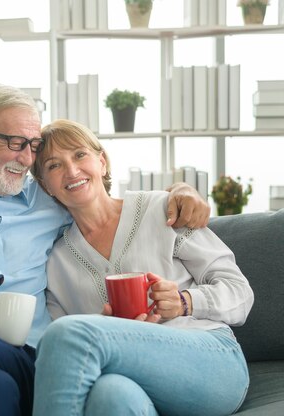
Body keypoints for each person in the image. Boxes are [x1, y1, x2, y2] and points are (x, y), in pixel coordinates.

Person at [0, 84, 210, 416]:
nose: (27, 158)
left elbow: (105, 200)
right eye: (16, 143)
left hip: (25, 354)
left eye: (33, 145)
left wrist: (180, 193)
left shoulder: (49, 197)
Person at [29, 119, 254, 416]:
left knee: (66, 334)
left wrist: (185, 303)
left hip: (209, 360)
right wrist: (108, 330)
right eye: (54, 166)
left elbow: (240, 292)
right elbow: (63, 357)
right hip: (129, 380)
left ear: (102, 162)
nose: (71, 171)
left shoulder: (164, 210)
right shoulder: (56, 262)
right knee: (109, 396)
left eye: (79, 155)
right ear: (46, 185)